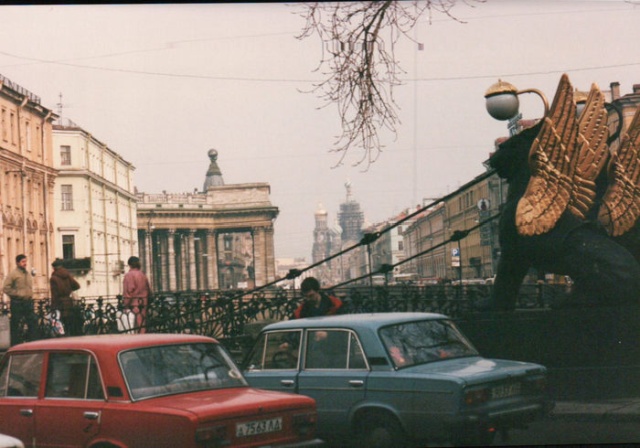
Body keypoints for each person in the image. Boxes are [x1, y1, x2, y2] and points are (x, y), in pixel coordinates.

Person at [3, 254, 36, 344]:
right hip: (17, 303)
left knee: (33, 322)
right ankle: (15, 344)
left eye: (25, 261)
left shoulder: (27, 274)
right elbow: (6, 288)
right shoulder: (13, 274)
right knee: (16, 324)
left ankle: (33, 342)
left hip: (28, 302)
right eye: (23, 262)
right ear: (17, 263)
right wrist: (17, 294)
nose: (25, 263)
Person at [49, 259, 81, 336]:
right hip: (69, 302)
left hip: (60, 303)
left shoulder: (53, 278)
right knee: (69, 323)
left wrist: (53, 307)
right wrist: (68, 290)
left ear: (54, 268)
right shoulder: (67, 275)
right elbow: (77, 286)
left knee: (60, 323)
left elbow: (54, 294)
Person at [122, 256, 152, 333]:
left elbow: (129, 291)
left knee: (132, 326)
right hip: (144, 302)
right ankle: (143, 340)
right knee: (142, 324)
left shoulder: (129, 275)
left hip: (134, 303)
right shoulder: (142, 274)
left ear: (129, 264)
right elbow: (148, 289)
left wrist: (126, 304)